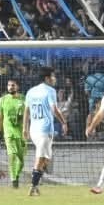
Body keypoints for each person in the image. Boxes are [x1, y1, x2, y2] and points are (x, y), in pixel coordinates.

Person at [24, 67, 68, 197]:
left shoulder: (31, 91)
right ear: (47, 78)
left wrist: (25, 128)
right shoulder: (50, 91)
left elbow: (26, 111)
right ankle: (33, 186)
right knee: (40, 157)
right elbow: (54, 109)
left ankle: (36, 183)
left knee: (46, 159)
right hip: (44, 129)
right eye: (53, 76)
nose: (55, 79)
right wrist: (64, 122)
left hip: (34, 129)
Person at [0, 78, 27, 188]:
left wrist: (27, 129)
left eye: (13, 85)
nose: (10, 87)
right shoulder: (2, 100)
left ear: (17, 86)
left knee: (21, 161)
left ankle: (16, 176)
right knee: (12, 155)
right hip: (9, 133)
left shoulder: (23, 99)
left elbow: (27, 116)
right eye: (9, 85)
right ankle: (14, 180)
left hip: (21, 133)